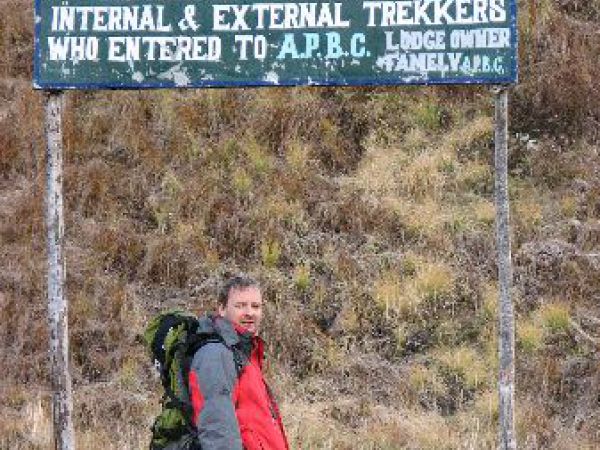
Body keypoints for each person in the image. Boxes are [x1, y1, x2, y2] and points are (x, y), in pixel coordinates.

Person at [187, 275, 289, 450]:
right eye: (240, 306)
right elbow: (217, 430)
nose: (249, 312)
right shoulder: (216, 354)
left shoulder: (244, 352)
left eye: (255, 306)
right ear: (222, 309)